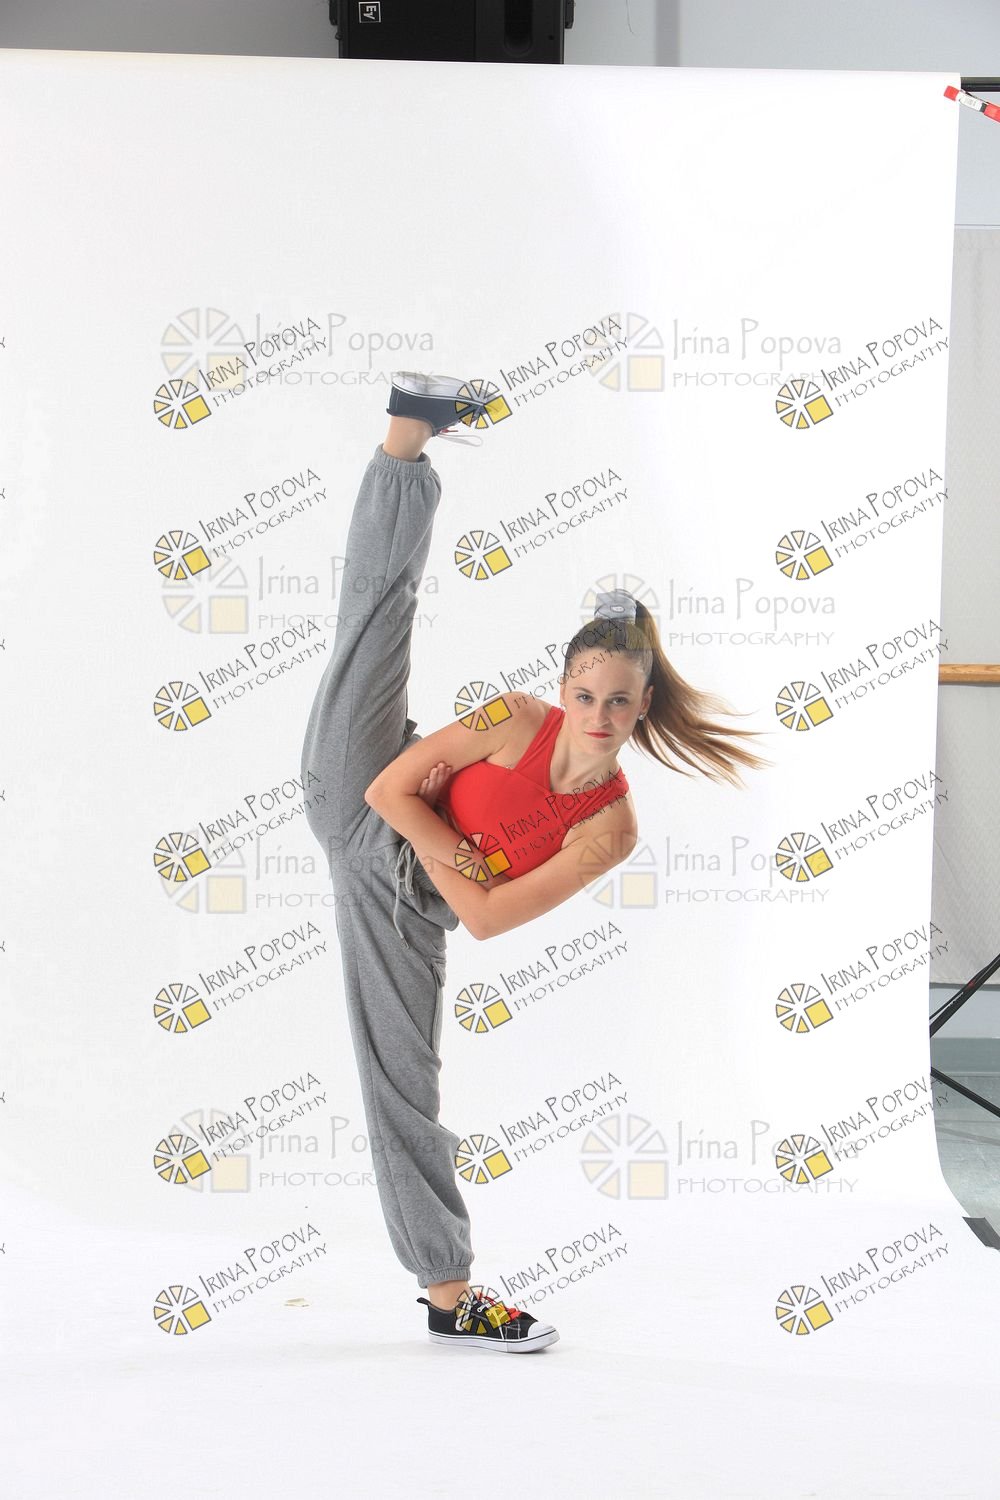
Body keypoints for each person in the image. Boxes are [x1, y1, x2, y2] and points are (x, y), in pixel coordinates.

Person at [300, 372, 763, 1351]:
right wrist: (450, 844)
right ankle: (408, 435)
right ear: (564, 686)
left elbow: (484, 918)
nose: (598, 716)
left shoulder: (610, 827)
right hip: (353, 790)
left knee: (403, 1083)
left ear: (643, 708)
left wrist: (433, 835)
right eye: (584, 695)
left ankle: (449, 1295)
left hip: (404, 909)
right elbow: (382, 794)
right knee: (374, 628)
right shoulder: (514, 715)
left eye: (618, 702)